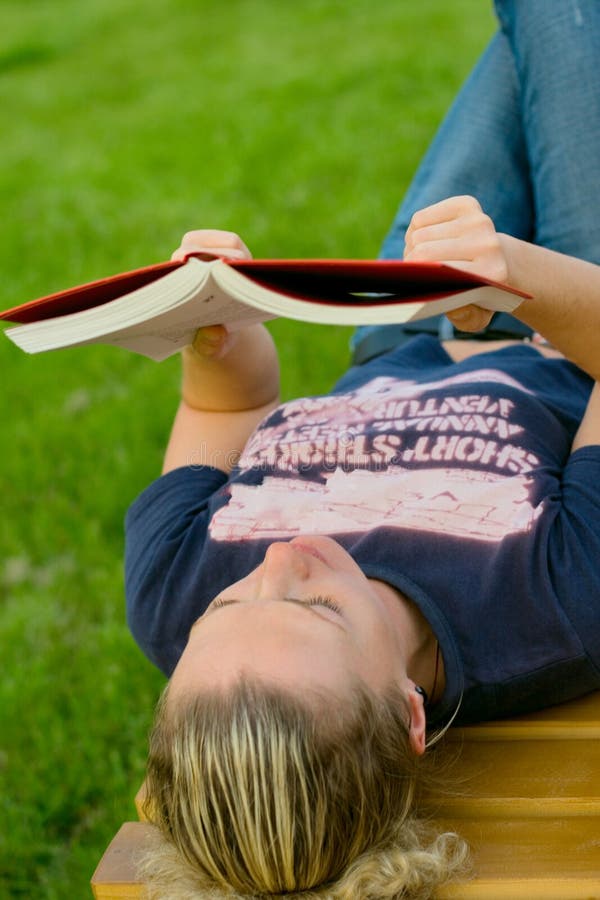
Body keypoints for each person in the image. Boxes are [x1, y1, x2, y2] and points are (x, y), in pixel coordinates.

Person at [125, 3, 600, 898]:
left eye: (229, 601)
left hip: (402, 317)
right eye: (319, 609)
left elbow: (234, 401)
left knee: (544, 26)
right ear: (408, 716)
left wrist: (216, 323)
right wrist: (514, 278)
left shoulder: (166, 595)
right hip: (574, 308)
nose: (280, 560)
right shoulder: (552, 605)